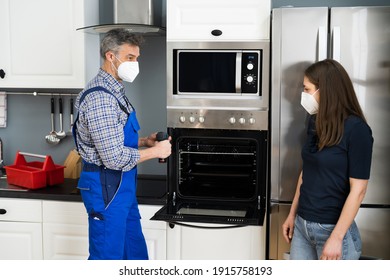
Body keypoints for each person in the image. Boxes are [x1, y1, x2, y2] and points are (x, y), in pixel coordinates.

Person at [72, 28, 171, 260]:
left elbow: (110, 138)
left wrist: (143, 141)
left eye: (136, 58)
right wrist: (154, 150)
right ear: (110, 56)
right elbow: (113, 158)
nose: (135, 63)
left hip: (120, 189)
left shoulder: (114, 91)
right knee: (108, 258)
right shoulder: (101, 99)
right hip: (106, 188)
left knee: (134, 255)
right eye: (130, 58)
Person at [282, 59, 373, 260]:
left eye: (307, 89)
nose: (303, 95)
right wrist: (292, 214)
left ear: (325, 90)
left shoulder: (357, 130)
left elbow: (359, 190)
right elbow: (307, 171)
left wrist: (337, 237)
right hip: (302, 226)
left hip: (332, 230)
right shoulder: (315, 121)